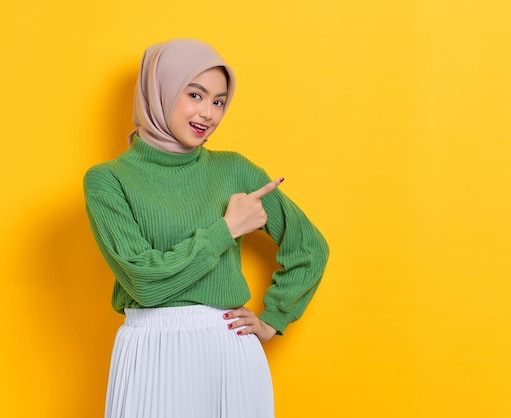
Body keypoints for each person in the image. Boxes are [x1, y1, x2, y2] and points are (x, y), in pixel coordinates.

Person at [83, 38, 329, 418]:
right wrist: (226, 229)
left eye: (218, 101)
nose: (209, 113)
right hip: (150, 349)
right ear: (158, 90)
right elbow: (145, 284)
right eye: (195, 95)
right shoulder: (109, 180)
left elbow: (309, 247)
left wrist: (272, 319)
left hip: (229, 349)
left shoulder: (234, 169)